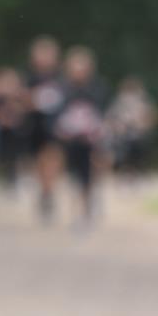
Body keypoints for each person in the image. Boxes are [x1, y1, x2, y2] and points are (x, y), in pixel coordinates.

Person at [54, 45, 108, 229]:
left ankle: (86, 207)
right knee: (73, 177)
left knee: (89, 174)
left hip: (91, 141)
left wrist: (96, 130)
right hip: (70, 141)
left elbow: (102, 114)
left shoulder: (97, 88)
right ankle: (77, 212)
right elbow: (55, 115)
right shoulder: (62, 89)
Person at [24, 36, 67, 222]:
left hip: (55, 126)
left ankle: (49, 191)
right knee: (38, 161)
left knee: (53, 157)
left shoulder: (62, 78)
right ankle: (44, 189)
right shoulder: (29, 78)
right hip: (34, 125)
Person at [105, 76, 158, 178]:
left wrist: (142, 125)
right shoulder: (118, 103)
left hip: (139, 134)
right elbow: (110, 119)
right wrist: (118, 127)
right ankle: (124, 169)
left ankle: (136, 168)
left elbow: (151, 117)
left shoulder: (144, 102)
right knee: (120, 146)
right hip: (122, 134)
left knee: (138, 144)